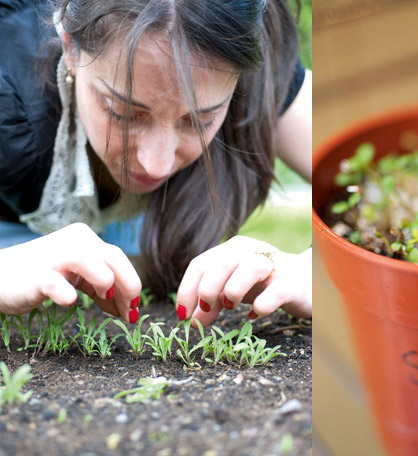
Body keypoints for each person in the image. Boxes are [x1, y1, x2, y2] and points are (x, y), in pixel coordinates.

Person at [0, 0, 313, 325]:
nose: (156, 166)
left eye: (199, 120)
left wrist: (314, 273)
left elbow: (366, 171)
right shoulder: (6, 75)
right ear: (70, 47)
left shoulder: (249, 53)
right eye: (123, 113)